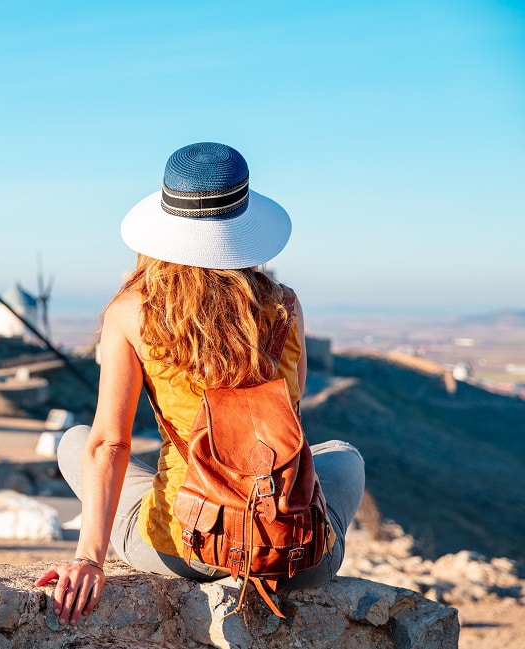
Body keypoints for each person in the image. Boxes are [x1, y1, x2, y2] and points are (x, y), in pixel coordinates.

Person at [35, 142, 365, 627]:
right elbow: (286, 422)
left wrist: (89, 559)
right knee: (344, 456)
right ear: (244, 224)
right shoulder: (285, 307)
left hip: (184, 548)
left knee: (76, 441)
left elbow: (111, 443)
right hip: (288, 556)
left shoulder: (133, 312)